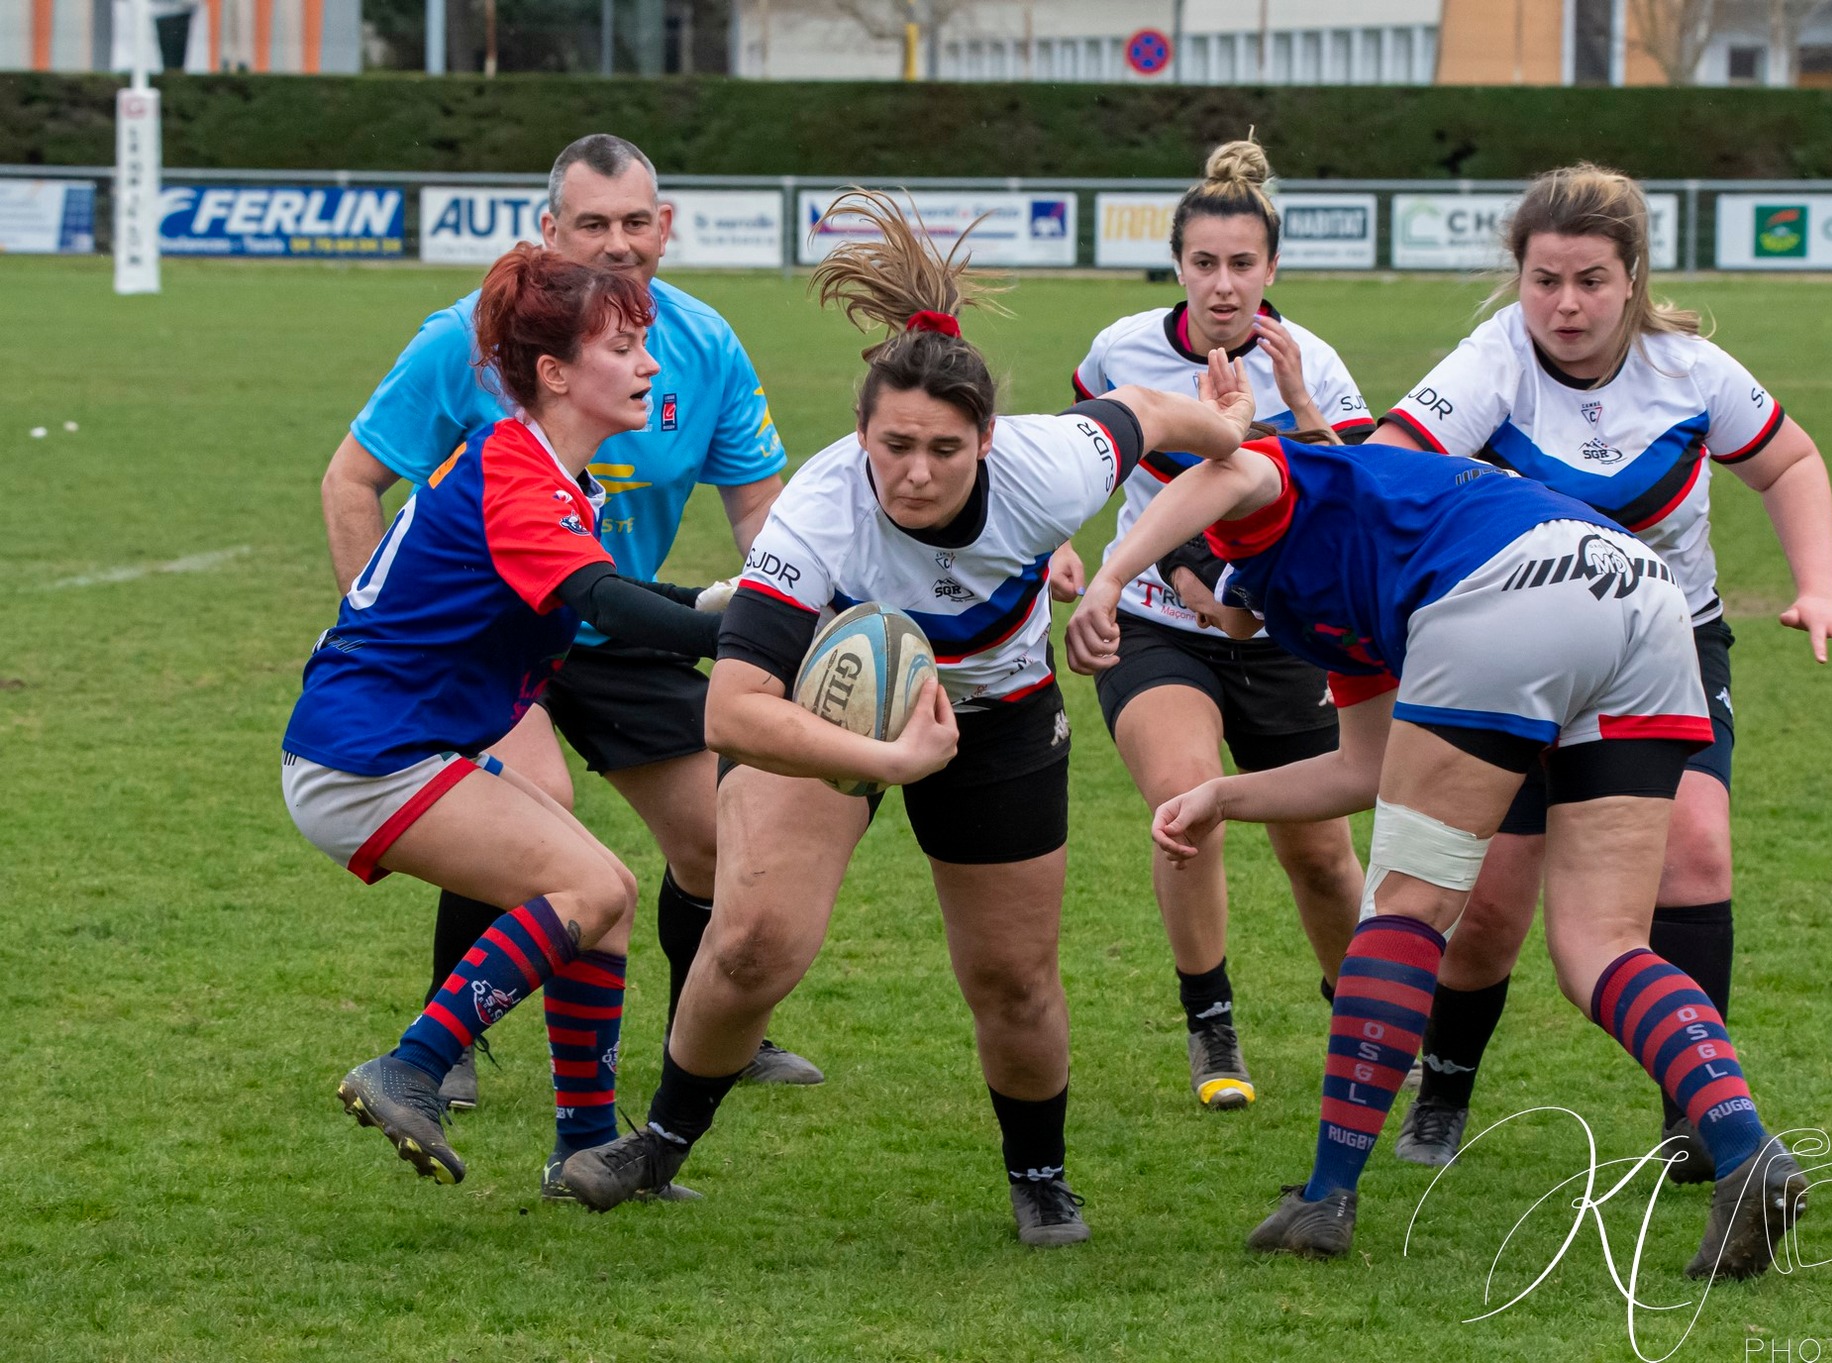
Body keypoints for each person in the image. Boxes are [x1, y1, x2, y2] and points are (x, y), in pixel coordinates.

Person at [555, 191, 1257, 1245]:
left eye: (942, 447)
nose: (915, 472)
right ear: (859, 434)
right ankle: (657, 1143)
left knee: (1011, 978)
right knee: (751, 942)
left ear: (986, 437)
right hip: (834, 717)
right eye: (893, 446)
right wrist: (885, 752)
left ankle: (1039, 1175)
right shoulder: (818, 511)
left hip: (1003, 716)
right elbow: (733, 709)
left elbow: (1154, 417)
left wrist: (1225, 429)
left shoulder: (1052, 462)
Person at [1066, 389, 1810, 1278]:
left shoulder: (1276, 496)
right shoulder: (1346, 590)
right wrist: (1225, 794)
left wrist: (1111, 579)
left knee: (1407, 909)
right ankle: (1748, 1151)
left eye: (1197, 588)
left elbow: (1228, 465)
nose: (1214, 614)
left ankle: (1326, 1194)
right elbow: (1366, 767)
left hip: (1507, 586)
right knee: (1600, 945)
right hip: (1640, 593)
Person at [1366, 164, 1832, 1173]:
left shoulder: (1689, 370)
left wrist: (1816, 584)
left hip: (1665, 649)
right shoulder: (1492, 361)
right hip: (1512, 660)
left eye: (1590, 281)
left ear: (1631, 277)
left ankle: (1692, 1112)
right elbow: (1394, 459)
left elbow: (1787, 459)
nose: (1564, 303)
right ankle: (1445, 1081)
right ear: (1518, 276)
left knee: (1695, 853)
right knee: (1486, 914)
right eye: (1545, 279)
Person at [320, 133, 821, 1116]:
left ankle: (707, 1025)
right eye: (592, 223)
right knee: (530, 796)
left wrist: (774, 611)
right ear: (549, 231)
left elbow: (762, 511)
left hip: (620, 623)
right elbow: (350, 480)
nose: (617, 242)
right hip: (501, 638)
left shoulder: (704, 344)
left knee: (714, 841)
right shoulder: (466, 340)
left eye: (636, 221)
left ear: (665, 228)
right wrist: (382, 635)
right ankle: (448, 1040)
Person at [287, 246, 741, 1190]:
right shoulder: (518, 475)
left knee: (605, 893)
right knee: (583, 891)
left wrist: (713, 604)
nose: (650, 364)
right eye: (625, 346)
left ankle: (585, 1151)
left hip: (388, 741)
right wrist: (743, 630)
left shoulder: (540, 472)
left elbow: (610, 595)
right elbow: (608, 606)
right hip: (368, 755)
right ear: (556, 373)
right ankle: (410, 1065)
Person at [1065, 137, 1368, 1112]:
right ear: (1178, 265)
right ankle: (1211, 1026)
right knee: (1186, 808)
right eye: (1204, 263)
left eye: (1242, 264)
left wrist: (1310, 409)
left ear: (1270, 269)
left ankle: (1363, 1017)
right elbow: (1094, 465)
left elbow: (1358, 497)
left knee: (1318, 853)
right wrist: (1084, 561)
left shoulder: (1307, 358)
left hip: (1282, 638)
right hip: (1155, 624)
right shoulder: (1120, 350)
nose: (1223, 284)